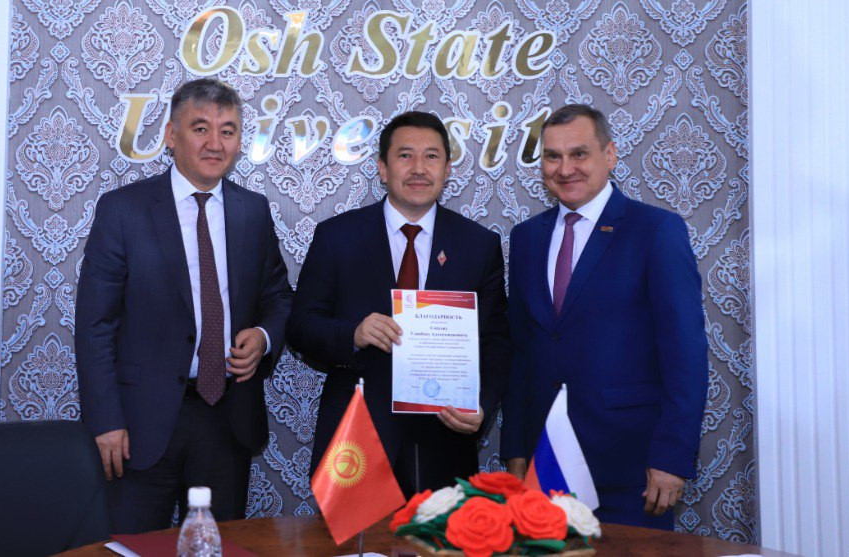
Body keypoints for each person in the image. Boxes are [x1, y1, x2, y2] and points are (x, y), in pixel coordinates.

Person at [75, 79, 293, 533]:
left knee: (217, 545)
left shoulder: (253, 211)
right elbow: (95, 324)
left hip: (226, 420)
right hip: (140, 424)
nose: (215, 143)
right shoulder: (123, 210)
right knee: (133, 548)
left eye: (228, 131)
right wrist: (106, 421)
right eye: (200, 128)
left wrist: (264, 337)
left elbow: (278, 297)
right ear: (171, 136)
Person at [501, 104, 707, 529]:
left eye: (579, 154)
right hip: (544, 465)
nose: (565, 169)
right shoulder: (526, 238)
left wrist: (671, 456)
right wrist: (516, 449)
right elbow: (521, 350)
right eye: (553, 156)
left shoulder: (655, 230)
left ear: (609, 155)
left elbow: (685, 352)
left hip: (631, 469)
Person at [286, 111, 510, 496]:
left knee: (441, 537)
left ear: (447, 169)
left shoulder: (478, 245)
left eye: (431, 156)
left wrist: (482, 406)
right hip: (356, 440)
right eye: (405, 155)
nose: (419, 168)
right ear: (382, 168)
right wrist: (353, 334)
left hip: (444, 443)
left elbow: (495, 342)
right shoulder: (337, 237)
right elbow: (300, 326)